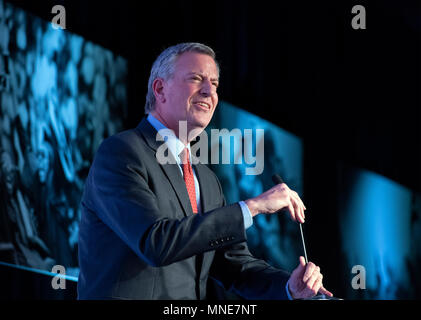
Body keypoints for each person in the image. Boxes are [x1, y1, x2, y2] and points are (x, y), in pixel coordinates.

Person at [77, 42, 333, 300]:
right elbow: (155, 243)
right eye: (196, 79)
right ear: (160, 89)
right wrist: (253, 206)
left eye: (215, 83)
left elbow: (233, 266)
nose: (209, 91)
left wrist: (289, 287)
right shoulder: (121, 152)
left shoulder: (207, 180)